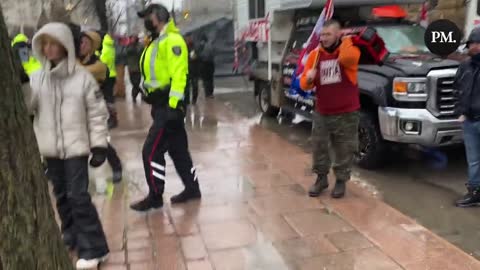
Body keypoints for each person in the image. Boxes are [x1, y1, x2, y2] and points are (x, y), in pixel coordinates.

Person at [27, 22, 109, 269]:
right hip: (51, 150)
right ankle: (72, 233)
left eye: (54, 43)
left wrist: (99, 145)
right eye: (45, 44)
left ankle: (95, 247)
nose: (49, 49)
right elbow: (27, 105)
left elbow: (97, 113)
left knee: (78, 196)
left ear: (65, 46)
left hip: (76, 149)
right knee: (62, 196)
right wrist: (22, 83)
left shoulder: (82, 78)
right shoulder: (38, 79)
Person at [130, 3, 201, 212]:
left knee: (150, 151)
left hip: (168, 107)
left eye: (148, 16)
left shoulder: (172, 41)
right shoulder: (155, 42)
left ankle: (155, 195)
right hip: (160, 104)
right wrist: (146, 92)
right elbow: (153, 73)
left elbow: (180, 75)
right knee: (179, 151)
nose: (146, 21)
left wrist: (174, 106)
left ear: (160, 17)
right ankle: (192, 188)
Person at [300, 20, 361, 199]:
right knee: (319, 146)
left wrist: (347, 41)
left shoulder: (350, 49)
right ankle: (321, 179)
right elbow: (304, 84)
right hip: (323, 111)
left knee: (344, 148)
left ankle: (341, 180)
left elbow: (346, 59)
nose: (324, 38)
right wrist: (309, 78)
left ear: (338, 34)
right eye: (322, 34)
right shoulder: (314, 56)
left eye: (328, 34)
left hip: (347, 111)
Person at [78, 30, 124, 183]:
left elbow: (82, 74)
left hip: (94, 110)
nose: (81, 45)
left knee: (99, 141)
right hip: (76, 109)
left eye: (85, 42)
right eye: (80, 42)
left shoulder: (99, 66)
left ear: (92, 45)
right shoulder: (75, 63)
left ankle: (116, 167)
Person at [454, 27, 480, 207]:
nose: (470, 47)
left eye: (473, 43)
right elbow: (457, 89)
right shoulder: (465, 66)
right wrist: (460, 112)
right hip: (470, 120)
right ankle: (475, 193)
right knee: (474, 160)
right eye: (470, 44)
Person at [100, 34, 119, 128]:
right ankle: (112, 117)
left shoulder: (105, 48)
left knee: (108, 98)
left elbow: (102, 61)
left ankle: (112, 118)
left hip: (107, 75)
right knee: (109, 97)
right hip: (112, 74)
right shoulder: (110, 47)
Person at [196, 34, 215, 98]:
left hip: (203, 64)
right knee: (210, 79)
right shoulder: (210, 45)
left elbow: (197, 55)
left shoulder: (200, 46)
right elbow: (213, 54)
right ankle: (210, 93)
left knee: (205, 80)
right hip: (210, 64)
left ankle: (207, 93)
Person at [126, 35, 144, 103]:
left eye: (133, 38)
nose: (132, 40)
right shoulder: (128, 46)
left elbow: (140, 52)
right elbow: (127, 52)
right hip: (131, 68)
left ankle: (134, 97)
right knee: (134, 83)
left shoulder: (140, 46)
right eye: (131, 38)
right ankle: (142, 92)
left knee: (136, 83)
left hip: (137, 68)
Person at [185, 34, 200, 105]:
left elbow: (196, 57)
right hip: (186, 69)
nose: (189, 39)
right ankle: (187, 100)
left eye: (190, 38)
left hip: (194, 69)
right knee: (187, 86)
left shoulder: (194, 47)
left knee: (195, 85)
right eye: (187, 38)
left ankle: (194, 100)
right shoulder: (184, 47)